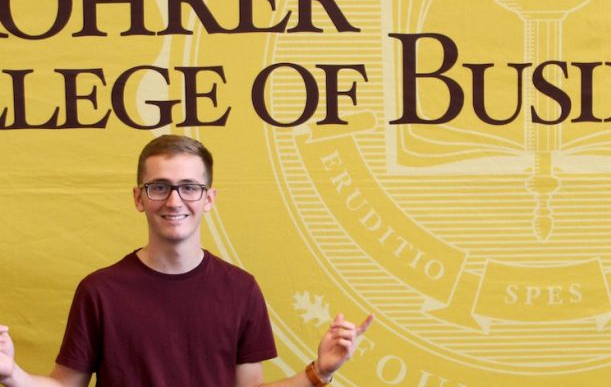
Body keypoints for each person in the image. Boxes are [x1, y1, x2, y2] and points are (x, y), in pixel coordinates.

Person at [0, 135, 373, 387]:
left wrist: (319, 372)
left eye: (189, 187)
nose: (174, 201)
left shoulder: (240, 289)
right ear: (138, 198)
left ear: (208, 198)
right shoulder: (99, 291)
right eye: (159, 187)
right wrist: (12, 374)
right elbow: (64, 384)